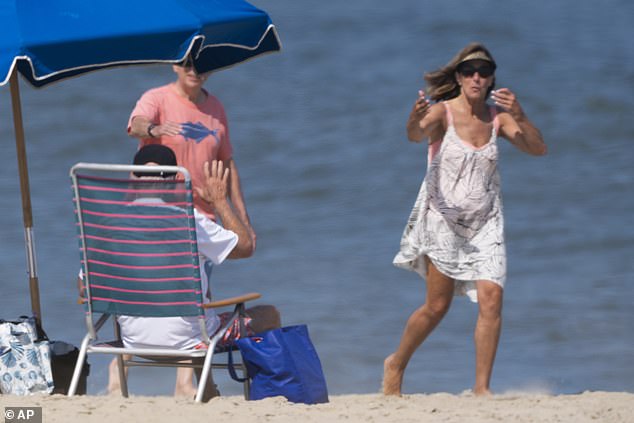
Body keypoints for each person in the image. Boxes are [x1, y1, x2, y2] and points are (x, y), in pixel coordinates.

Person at [384, 42, 546, 396]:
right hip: (442, 222)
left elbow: (537, 148)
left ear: (491, 80)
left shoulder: (498, 119)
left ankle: (481, 389)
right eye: (470, 71)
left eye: (484, 72)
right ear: (458, 77)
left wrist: (520, 114)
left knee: (492, 300)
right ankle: (396, 363)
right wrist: (414, 117)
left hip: (487, 225)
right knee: (436, 306)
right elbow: (414, 135)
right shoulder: (442, 113)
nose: (476, 77)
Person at [78, 144, 280, 399]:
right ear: (174, 180)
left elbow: (84, 288)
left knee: (196, 315)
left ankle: (208, 393)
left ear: (132, 177)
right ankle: (270, 397)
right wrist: (219, 200)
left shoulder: (108, 226)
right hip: (190, 342)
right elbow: (245, 247)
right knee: (268, 315)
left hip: (132, 341)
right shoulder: (190, 221)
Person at [127, 55, 256, 249]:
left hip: (203, 218)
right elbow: (135, 125)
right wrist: (154, 129)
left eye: (202, 65)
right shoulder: (156, 98)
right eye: (187, 64)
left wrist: (243, 218)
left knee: (199, 275)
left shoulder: (216, 108)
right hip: (160, 212)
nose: (194, 71)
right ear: (174, 65)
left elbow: (227, 165)